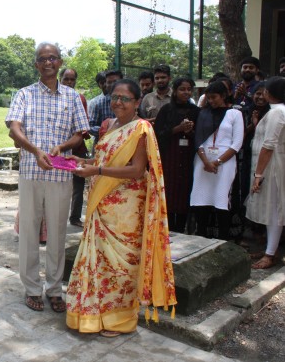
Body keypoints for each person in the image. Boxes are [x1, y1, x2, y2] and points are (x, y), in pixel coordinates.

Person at [65, 79, 177, 337]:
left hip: (126, 209)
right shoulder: (110, 125)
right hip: (102, 203)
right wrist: (82, 161)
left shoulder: (141, 129)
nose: (118, 102)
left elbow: (136, 170)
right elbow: (103, 159)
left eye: (125, 98)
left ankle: (121, 320)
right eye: (115, 97)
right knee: (100, 263)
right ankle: (95, 316)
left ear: (137, 102)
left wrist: (97, 170)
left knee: (122, 266)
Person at [5, 42, 89, 313]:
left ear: (60, 62)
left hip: (60, 176)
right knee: (29, 232)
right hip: (31, 171)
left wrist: (62, 147)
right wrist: (35, 150)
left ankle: (54, 289)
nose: (47, 62)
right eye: (42, 59)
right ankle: (32, 289)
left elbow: (80, 133)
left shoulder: (72, 97)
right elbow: (14, 129)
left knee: (57, 233)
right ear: (36, 65)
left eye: (52, 58)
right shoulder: (24, 94)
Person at [190, 81, 244, 240]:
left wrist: (217, 162)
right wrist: (206, 161)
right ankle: (200, 236)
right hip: (202, 160)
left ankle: (222, 239)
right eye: (208, 98)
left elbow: (237, 144)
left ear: (224, 96)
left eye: (214, 97)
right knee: (201, 198)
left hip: (225, 161)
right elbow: (198, 139)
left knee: (221, 198)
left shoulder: (235, 114)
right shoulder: (203, 113)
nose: (211, 101)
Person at [244, 76, 285, 269]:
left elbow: (268, 146)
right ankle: (271, 248)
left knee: (274, 209)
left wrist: (258, 175)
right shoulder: (276, 111)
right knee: (271, 208)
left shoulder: (277, 112)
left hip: (272, 166)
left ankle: (270, 254)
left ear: (269, 92)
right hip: (271, 164)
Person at [153, 78, 200, 233]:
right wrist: (178, 129)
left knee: (184, 194)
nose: (186, 92)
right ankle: (167, 231)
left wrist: (189, 131)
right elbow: (157, 134)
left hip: (187, 159)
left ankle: (181, 229)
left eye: (189, 89)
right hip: (169, 158)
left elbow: (200, 137)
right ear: (175, 91)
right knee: (169, 192)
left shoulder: (196, 111)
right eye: (182, 89)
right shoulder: (166, 110)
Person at [60, 67, 89, 227]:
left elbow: (82, 126)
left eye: (72, 79)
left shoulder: (80, 98)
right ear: (60, 79)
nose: (69, 82)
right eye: (66, 79)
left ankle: (75, 217)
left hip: (77, 149)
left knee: (78, 185)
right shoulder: (54, 98)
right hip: (58, 149)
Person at [88, 70, 122, 151]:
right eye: (109, 82)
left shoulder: (130, 101)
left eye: (115, 81)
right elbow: (90, 127)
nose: (112, 84)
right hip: (103, 147)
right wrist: (106, 129)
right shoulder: (97, 103)